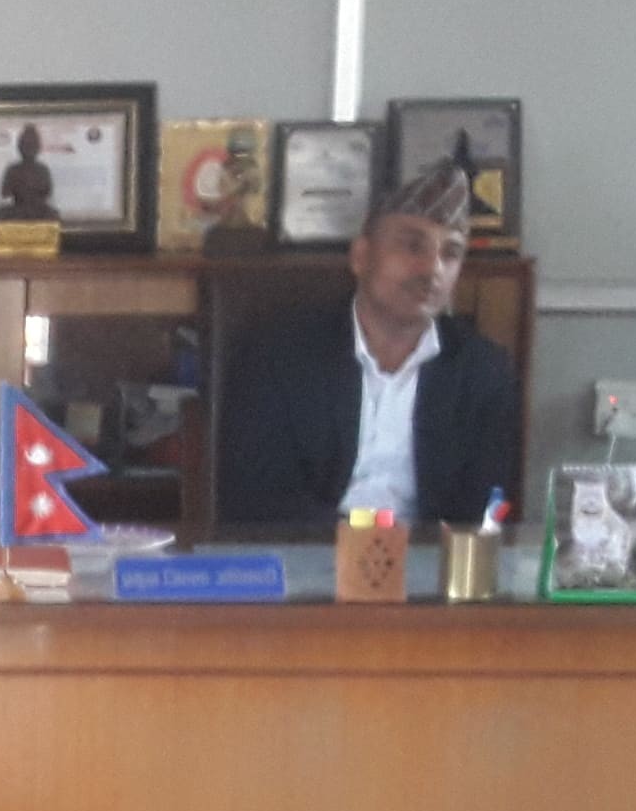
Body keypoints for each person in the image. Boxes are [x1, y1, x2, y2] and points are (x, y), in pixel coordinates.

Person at [211, 156, 523, 534]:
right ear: (361, 257)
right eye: (413, 246)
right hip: (310, 554)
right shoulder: (278, 356)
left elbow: (484, 511)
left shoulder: (482, 371)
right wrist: (371, 538)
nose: (432, 269)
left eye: (451, 253)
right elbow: (255, 501)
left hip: (430, 561)